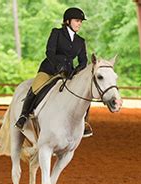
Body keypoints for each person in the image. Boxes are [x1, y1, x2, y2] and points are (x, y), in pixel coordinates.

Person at [15, 7, 93, 137]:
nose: (79, 23)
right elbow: (49, 52)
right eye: (77, 20)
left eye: (81, 21)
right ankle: (23, 116)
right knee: (36, 87)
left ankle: (83, 122)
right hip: (49, 69)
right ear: (67, 21)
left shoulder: (80, 41)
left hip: (68, 73)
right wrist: (58, 65)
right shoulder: (56, 33)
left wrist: (76, 72)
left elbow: (83, 61)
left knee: (84, 92)